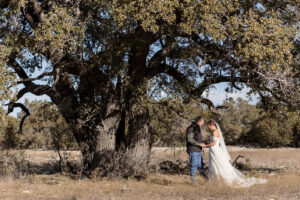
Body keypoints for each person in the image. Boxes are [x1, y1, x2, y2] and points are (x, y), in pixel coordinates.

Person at [200, 120, 267, 188]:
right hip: (215, 149)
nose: (208, 127)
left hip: (215, 149)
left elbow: (214, 143)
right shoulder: (216, 131)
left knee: (217, 163)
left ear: (212, 125)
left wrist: (205, 145)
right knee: (216, 163)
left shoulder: (215, 132)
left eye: (209, 126)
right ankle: (217, 179)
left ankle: (220, 179)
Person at [186, 116, 205, 185]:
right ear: (199, 121)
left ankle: (206, 180)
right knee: (193, 165)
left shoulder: (197, 128)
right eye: (203, 122)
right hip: (193, 149)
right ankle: (194, 183)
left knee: (200, 165)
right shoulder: (191, 128)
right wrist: (199, 144)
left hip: (198, 150)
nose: (203, 123)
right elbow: (189, 139)